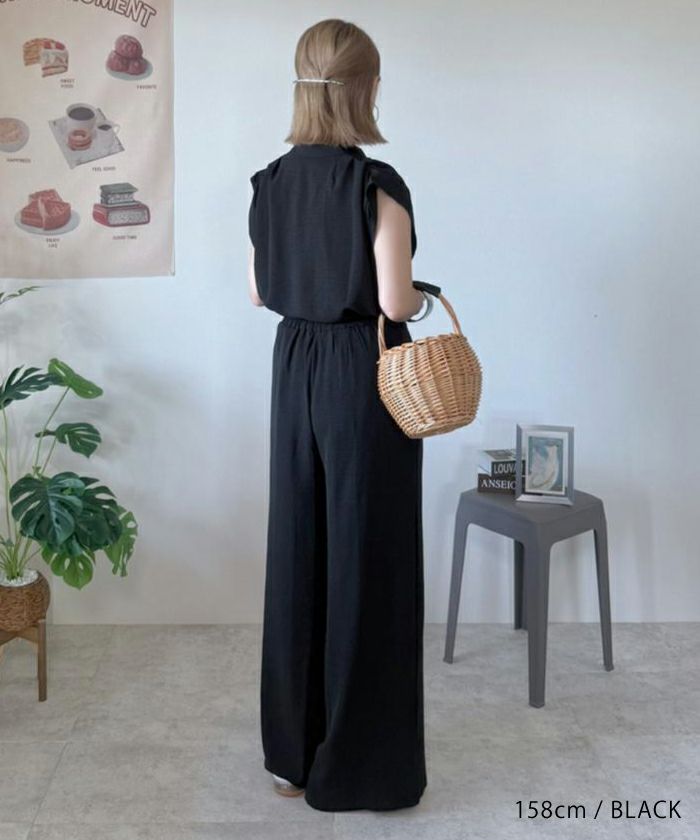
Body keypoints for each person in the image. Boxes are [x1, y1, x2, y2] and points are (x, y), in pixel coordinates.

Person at [247, 18, 430, 813]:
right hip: (364, 371)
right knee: (368, 553)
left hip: (294, 365)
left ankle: (292, 755)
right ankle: (362, 764)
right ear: (367, 87)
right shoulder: (374, 185)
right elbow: (394, 300)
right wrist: (421, 297)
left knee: (299, 546)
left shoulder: (268, 183)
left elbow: (260, 291)